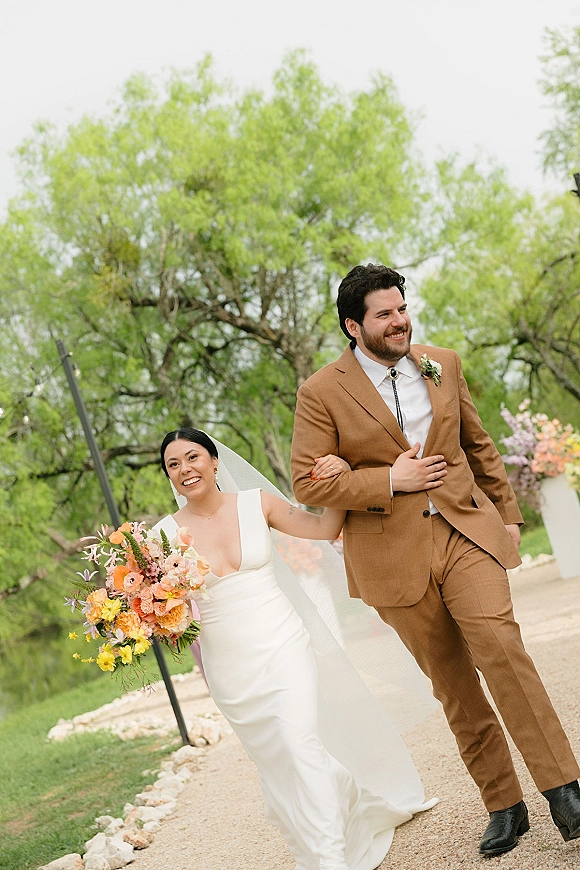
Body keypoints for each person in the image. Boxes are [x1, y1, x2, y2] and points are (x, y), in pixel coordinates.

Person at [290, 263, 580, 857]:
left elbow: (478, 444)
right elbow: (307, 483)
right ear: (354, 325)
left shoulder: (441, 362)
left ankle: (564, 791)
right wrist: (387, 479)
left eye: (402, 308)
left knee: (503, 651)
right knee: (452, 684)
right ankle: (504, 803)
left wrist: (508, 518)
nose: (400, 321)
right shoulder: (321, 391)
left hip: (465, 531)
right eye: (384, 315)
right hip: (391, 557)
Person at [154, 427, 436, 870]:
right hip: (229, 669)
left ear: (213, 461)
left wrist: (341, 479)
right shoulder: (162, 537)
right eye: (173, 464)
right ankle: (360, 806)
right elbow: (175, 618)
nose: (184, 469)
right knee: (281, 763)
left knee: (299, 743)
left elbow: (324, 527)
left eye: (192, 457)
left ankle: (329, 860)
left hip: (284, 645)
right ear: (168, 476)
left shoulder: (256, 503)